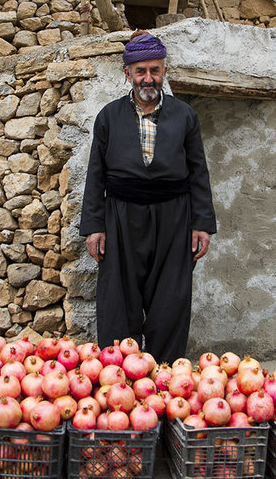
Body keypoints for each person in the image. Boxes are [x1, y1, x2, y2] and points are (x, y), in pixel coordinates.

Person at [80, 30, 217, 364]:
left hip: (174, 216)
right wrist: (94, 226)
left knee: (170, 297)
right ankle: (120, 374)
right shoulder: (109, 117)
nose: (148, 78)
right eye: (140, 71)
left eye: (154, 70)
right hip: (120, 217)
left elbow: (198, 172)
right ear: (127, 73)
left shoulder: (185, 116)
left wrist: (202, 223)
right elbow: (96, 174)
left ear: (164, 72)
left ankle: (164, 374)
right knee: (117, 297)